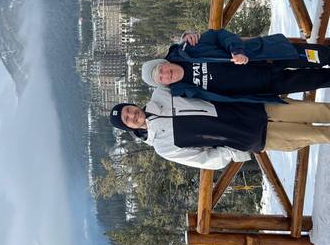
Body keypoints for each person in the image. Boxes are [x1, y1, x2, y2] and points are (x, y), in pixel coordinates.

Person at [110, 87, 330, 170]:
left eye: (128, 110)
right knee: (317, 134)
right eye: (127, 119)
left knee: (317, 110)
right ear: (129, 127)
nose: (132, 115)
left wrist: (187, 38)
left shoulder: (162, 94)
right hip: (251, 137)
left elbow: (182, 70)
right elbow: (205, 160)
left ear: (131, 104)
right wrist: (234, 150)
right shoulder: (163, 147)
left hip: (254, 108)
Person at [141, 29, 330, 103]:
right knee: (319, 80)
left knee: (320, 55)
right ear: (163, 84)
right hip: (268, 86)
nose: (166, 75)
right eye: (161, 79)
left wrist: (237, 50)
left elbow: (220, 35)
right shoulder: (184, 93)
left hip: (269, 56)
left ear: (164, 62)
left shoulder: (190, 47)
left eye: (161, 69)